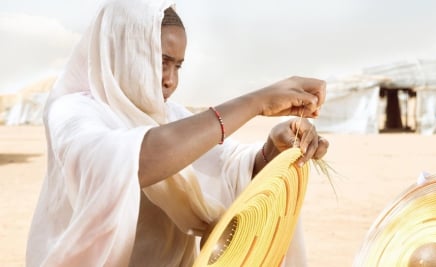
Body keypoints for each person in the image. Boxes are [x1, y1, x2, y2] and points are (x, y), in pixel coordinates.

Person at [26, 0, 328, 266]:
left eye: (178, 67)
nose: (170, 80)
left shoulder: (168, 117)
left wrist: (272, 149)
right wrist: (254, 102)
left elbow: (225, 169)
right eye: (160, 62)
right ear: (122, 52)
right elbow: (129, 162)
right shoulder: (74, 113)